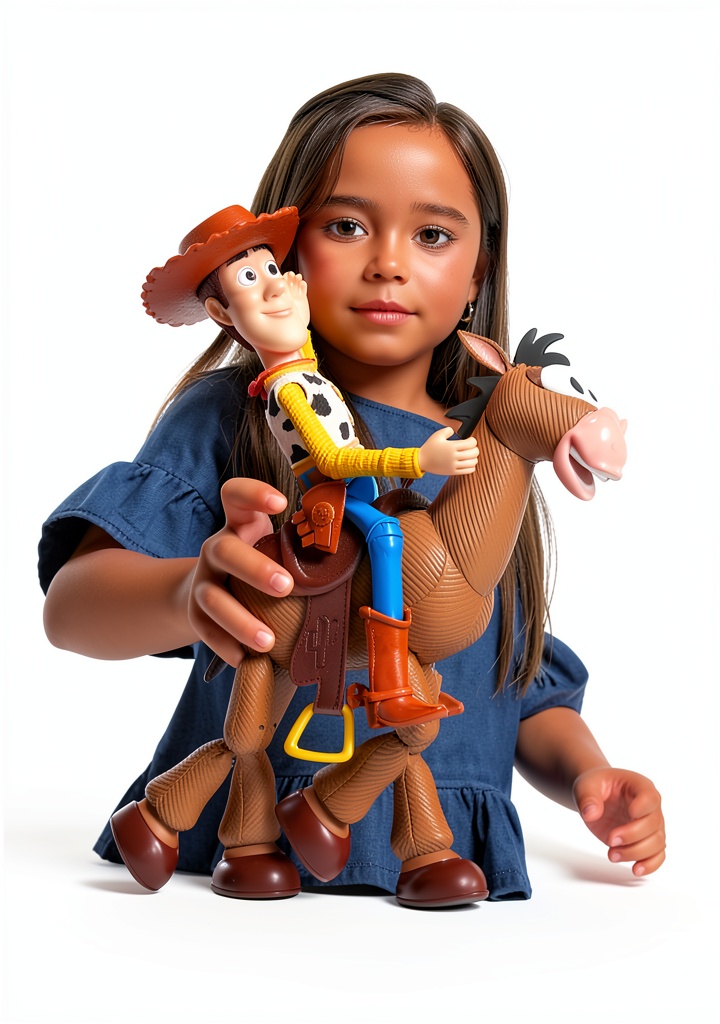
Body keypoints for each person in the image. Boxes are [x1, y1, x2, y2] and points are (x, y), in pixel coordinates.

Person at [39, 73, 665, 906]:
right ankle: (224, 809)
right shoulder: (234, 416)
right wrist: (188, 592)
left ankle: (404, 830)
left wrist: (590, 773)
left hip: (460, 925)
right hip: (224, 916)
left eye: (432, 235)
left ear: (478, 271)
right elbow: (71, 609)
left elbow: (506, 680)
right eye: (345, 226)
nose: (389, 264)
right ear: (290, 258)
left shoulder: (488, 460)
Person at [106, 203, 478, 900]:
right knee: (388, 535)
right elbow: (335, 457)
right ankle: (387, 668)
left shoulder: (309, 372)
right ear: (223, 313)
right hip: (336, 494)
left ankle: (404, 838)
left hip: (354, 491)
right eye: (249, 279)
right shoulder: (289, 384)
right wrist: (416, 459)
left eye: (273, 267)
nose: (275, 284)